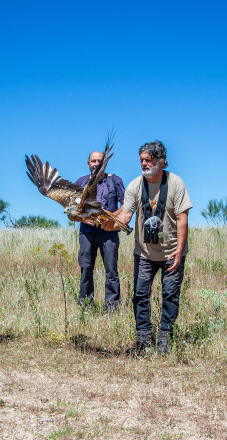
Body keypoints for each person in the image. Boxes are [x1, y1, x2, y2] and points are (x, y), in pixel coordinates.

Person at [103, 141, 192, 354]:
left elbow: (182, 218)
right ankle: (143, 341)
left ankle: (165, 339)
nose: (144, 164)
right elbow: (125, 215)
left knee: (170, 294)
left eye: (148, 160)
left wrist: (179, 251)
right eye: (141, 160)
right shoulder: (135, 185)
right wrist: (109, 225)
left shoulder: (176, 183)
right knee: (140, 294)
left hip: (171, 252)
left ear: (161, 161)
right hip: (144, 253)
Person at [74, 150, 126, 311]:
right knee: (86, 268)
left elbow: (126, 204)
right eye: (93, 161)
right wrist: (84, 218)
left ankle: (112, 307)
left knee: (111, 269)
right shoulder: (81, 182)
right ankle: (85, 307)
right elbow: (75, 208)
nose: (96, 164)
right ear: (88, 164)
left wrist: (113, 217)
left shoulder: (115, 181)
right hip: (87, 232)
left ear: (105, 163)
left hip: (108, 231)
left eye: (99, 161)